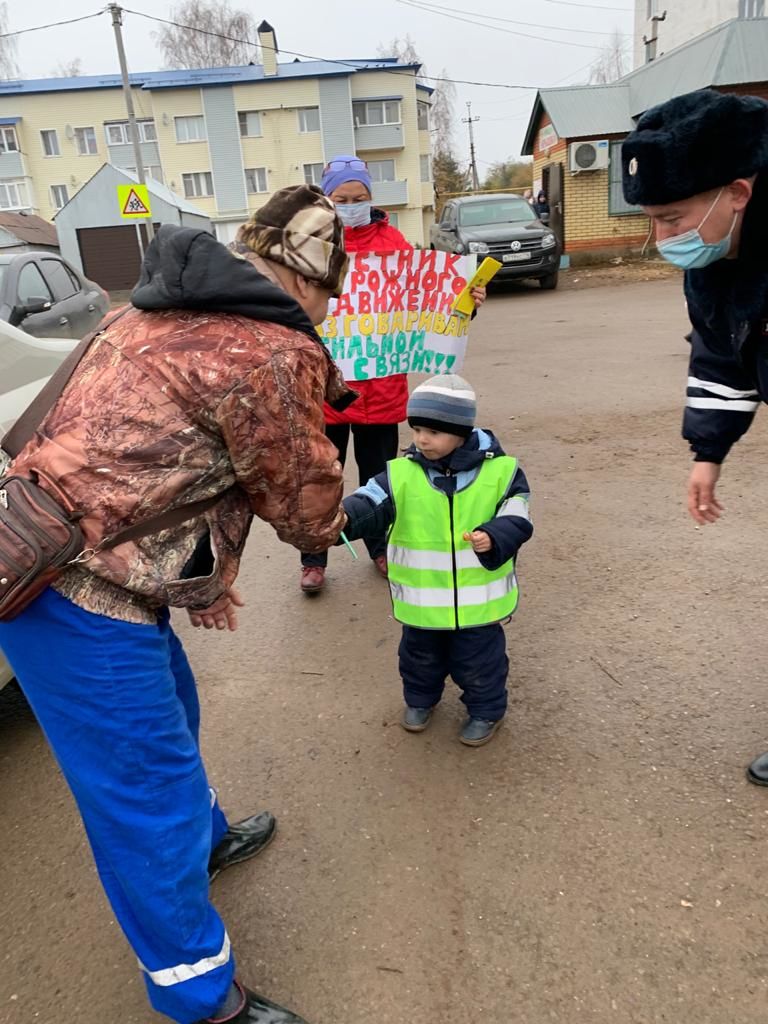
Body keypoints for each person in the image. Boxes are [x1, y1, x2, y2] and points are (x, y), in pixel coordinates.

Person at [0, 185, 354, 1024]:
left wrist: (200, 578)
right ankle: (200, 996)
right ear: (307, 279)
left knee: (174, 715)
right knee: (139, 792)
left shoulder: (154, 307)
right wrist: (355, 518)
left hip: (87, 556)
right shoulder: (268, 346)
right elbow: (301, 501)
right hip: (74, 592)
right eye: (329, 293)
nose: (326, 313)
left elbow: (160, 459)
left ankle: (205, 843)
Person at [621, 88, 768, 786]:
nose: (662, 239)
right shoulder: (714, 262)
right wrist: (706, 452)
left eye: (671, 218)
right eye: (651, 220)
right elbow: (719, 353)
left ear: (736, 192)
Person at [299, 155, 487, 594]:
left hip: (381, 393)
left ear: (370, 197)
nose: (350, 205)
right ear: (326, 199)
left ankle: (380, 545)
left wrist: (466, 302)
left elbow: (425, 305)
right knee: (319, 478)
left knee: (379, 479)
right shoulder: (309, 243)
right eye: (340, 198)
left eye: (358, 198)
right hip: (323, 392)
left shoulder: (394, 242)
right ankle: (313, 559)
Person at [337, 374, 533, 746]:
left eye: (433, 432)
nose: (421, 440)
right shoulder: (401, 474)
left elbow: (519, 514)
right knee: (417, 659)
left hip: (478, 608)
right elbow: (369, 501)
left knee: (481, 663)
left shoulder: (502, 472)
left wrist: (495, 535)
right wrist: (341, 518)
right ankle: (420, 701)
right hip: (422, 604)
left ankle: (486, 709)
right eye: (416, 429)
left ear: (460, 431)